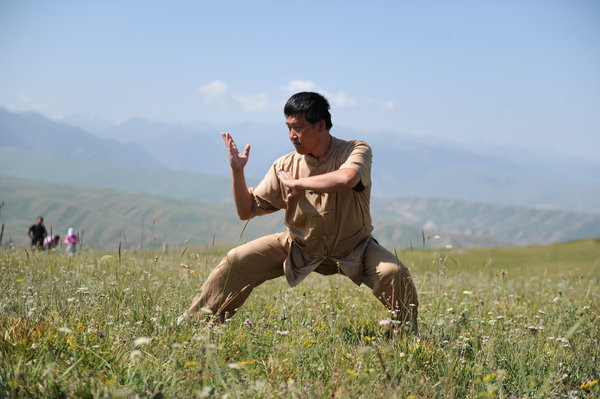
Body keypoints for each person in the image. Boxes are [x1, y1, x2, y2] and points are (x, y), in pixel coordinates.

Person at [183, 92, 419, 334]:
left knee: (394, 273)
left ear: (321, 125)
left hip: (355, 248)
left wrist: (298, 185)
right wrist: (237, 171)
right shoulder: (284, 165)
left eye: (298, 127)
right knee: (237, 259)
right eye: (288, 127)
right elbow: (247, 210)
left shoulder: (355, 150)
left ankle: (404, 339)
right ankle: (194, 326)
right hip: (299, 246)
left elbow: (346, 178)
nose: (292, 136)